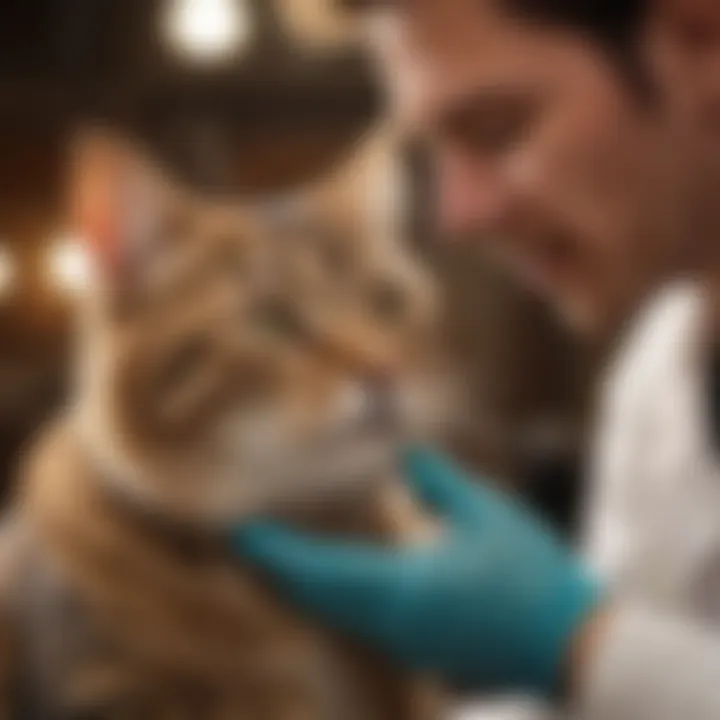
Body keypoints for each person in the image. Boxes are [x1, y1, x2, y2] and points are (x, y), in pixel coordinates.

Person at [231, 1, 720, 718]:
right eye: (433, 151)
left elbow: (613, 672)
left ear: (700, 42)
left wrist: (579, 641)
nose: (459, 213)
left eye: (498, 129)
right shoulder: (658, 380)